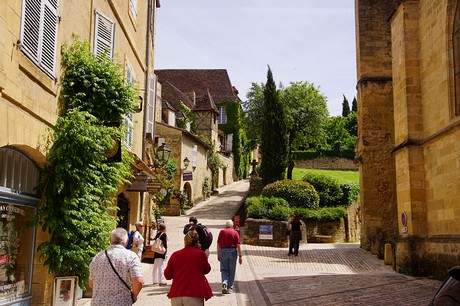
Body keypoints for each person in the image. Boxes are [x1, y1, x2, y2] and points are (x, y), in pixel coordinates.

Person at [89, 228, 143, 305]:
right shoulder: (131, 257)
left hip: (98, 303)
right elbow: (138, 281)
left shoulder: (97, 257)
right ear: (127, 241)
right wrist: (134, 296)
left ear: (110, 240)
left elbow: (91, 283)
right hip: (120, 302)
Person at [164, 230, 213, 305]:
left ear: (185, 241)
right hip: (194, 293)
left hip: (177, 293)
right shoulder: (200, 254)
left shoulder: (175, 255)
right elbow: (207, 270)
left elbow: (167, 275)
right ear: (197, 242)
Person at [217, 219, 242, 294]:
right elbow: (238, 245)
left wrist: (218, 254)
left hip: (223, 251)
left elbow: (218, 244)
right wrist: (240, 256)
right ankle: (230, 288)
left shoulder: (222, 232)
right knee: (232, 270)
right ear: (232, 225)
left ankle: (224, 282)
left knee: (224, 269)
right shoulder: (235, 232)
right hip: (232, 251)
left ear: (226, 225)